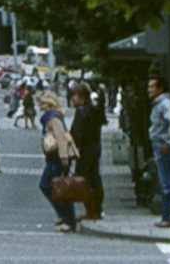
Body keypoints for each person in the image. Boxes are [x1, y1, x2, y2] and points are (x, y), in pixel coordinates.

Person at [41, 105, 82, 233]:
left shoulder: (53, 118)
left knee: (57, 188)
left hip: (58, 158)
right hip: (55, 158)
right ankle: (64, 216)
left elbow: (61, 137)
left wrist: (63, 156)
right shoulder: (51, 117)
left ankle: (69, 219)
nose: (40, 106)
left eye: (42, 103)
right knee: (55, 187)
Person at [71, 84, 104, 221]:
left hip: (84, 149)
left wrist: (72, 148)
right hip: (95, 146)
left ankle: (91, 210)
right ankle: (98, 209)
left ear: (81, 97)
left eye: (74, 96)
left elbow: (77, 134)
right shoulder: (94, 109)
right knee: (95, 178)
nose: (72, 99)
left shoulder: (81, 112)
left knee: (83, 179)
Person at [147, 74, 170, 226]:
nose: (149, 90)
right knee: (166, 181)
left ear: (160, 88)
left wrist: (168, 142)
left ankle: (168, 217)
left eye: (152, 86)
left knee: (167, 183)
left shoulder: (164, 103)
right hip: (160, 144)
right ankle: (167, 216)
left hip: (162, 145)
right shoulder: (160, 103)